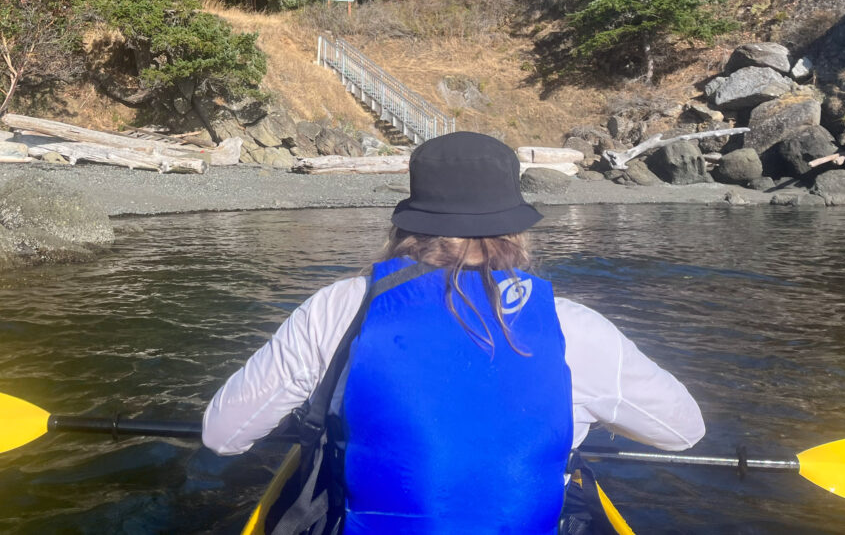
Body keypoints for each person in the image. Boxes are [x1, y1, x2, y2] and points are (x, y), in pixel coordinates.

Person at [203, 131, 705, 534]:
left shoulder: (337, 310)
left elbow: (222, 436)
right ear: (514, 226)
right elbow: (684, 432)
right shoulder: (576, 327)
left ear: (411, 221)